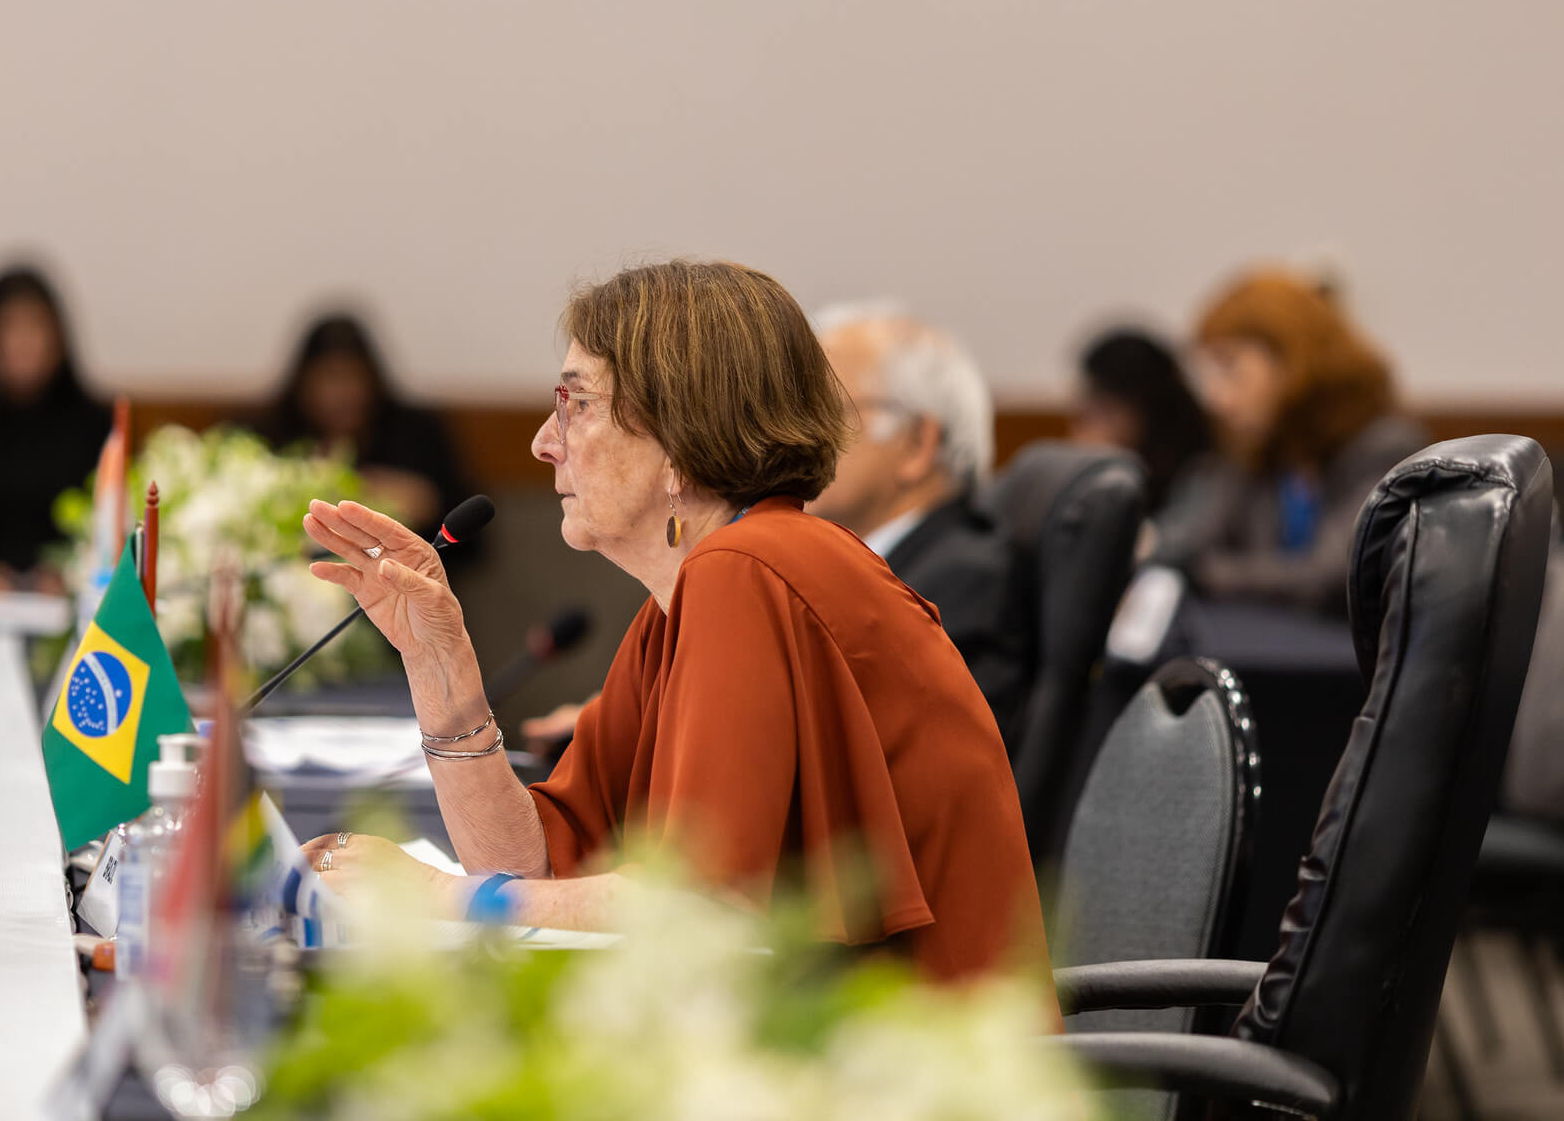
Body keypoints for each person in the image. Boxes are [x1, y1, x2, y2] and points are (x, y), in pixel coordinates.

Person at [299, 261, 1051, 986]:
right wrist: (439, 660)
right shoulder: (685, 597)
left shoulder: (750, 569)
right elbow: (533, 869)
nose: (542, 441)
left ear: (680, 444)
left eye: (576, 404)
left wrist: (436, 896)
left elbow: (698, 906)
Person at [805, 303, 1024, 741]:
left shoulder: (964, 583)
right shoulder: (865, 569)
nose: (794, 435)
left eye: (824, 409)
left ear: (918, 444)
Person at [1155, 268, 1427, 615]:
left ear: (1293, 362)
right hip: (1266, 652)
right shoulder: (1260, 446)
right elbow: (1189, 541)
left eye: (1230, 367)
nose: (1215, 397)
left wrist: (1203, 571)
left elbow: (1329, 578)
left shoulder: (1385, 446)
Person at [0, 266, 112, 592]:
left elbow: (109, 525)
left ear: (59, 339)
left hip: (70, 599)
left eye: (36, 325)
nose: (23, 342)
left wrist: (71, 574)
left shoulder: (95, 423)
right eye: (9, 326)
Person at [260, 313, 468, 539]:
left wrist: (428, 503)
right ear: (302, 382)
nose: (343, 394)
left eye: (353, 377)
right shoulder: (267, 431)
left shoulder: (418, 433)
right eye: (329, 377)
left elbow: (470, 538)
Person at [1070, 327, 1217, 519]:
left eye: (1104, 408)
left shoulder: (1202, 471)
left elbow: (1173, 543)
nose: (1090, 425)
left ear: (1143, 405)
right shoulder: (1111, 462)